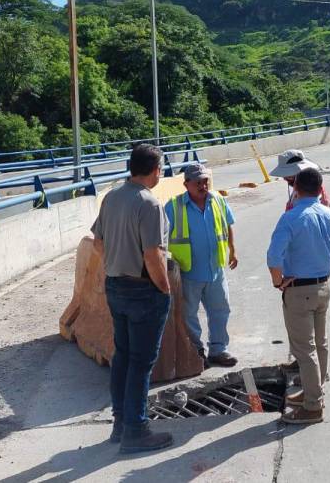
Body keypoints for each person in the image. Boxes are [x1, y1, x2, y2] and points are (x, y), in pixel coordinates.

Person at [90, 143, 174, 454]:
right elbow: (153, 254)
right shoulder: (149, 204)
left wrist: (116, 262)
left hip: (115, 285)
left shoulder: (112, 197)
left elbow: (97, 242)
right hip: (142, 290)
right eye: (161, 168)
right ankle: (136, 431)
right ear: (155, 170)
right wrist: (164, 287)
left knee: (123, 357)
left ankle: (121, 423)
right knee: (141, 362)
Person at [266, 167, 330, 425]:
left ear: (296, 189)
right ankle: (316, 391)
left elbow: (273, 257)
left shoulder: (291, 218)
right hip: (324, 286)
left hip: (299, 290)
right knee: (320, 344)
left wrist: (278, 282)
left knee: (305, 350)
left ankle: (313, 406)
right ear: (320, 189)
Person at [164, 164, 239, 368]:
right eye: (197, 182)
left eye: (205, 181)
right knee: (189, 315)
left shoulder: (218, 200)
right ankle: (196, 352)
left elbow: (227, 225)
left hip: (215, 270)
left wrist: (233, 250)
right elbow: (160, 238)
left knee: (220, 310)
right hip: (189, 272)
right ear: (186, 184)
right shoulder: (173, 206)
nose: (202, 185)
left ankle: (218, 350)